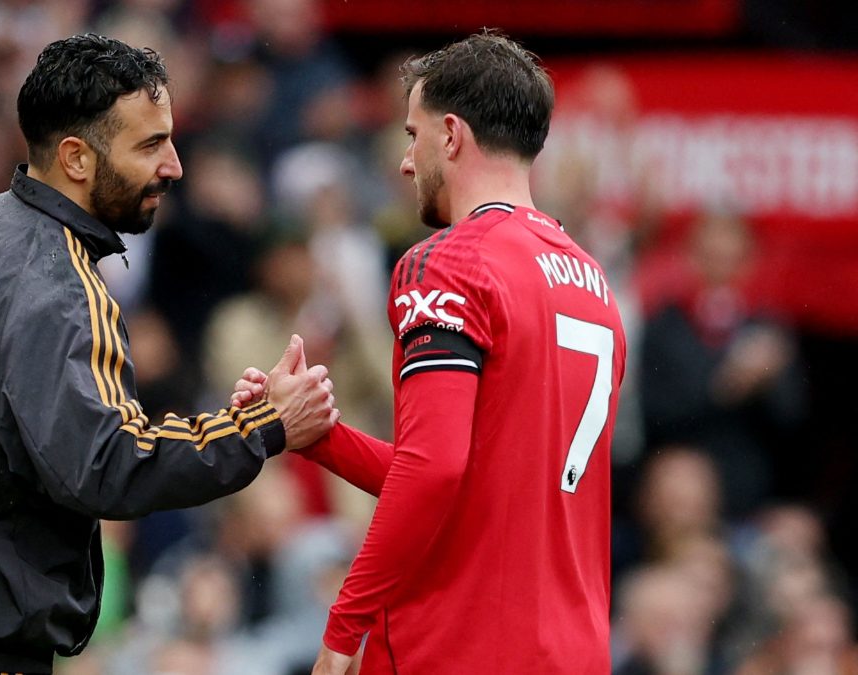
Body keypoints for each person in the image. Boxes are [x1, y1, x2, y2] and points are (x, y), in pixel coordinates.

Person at [0, 34, 337, 675]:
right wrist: (262, 426)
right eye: (150, 145)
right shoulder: (61, 282)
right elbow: (107, 464)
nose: (174, 166)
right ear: (76, 157)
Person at [234, 32, 627, 673]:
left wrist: (344, 627)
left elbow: (434, 469)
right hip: (574, 650)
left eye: (412, 135)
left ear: (450, 135)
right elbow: (466, 481)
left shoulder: (448, 262)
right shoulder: (593, 282)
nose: (404, 163)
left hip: (461, 644)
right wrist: (316, 437)